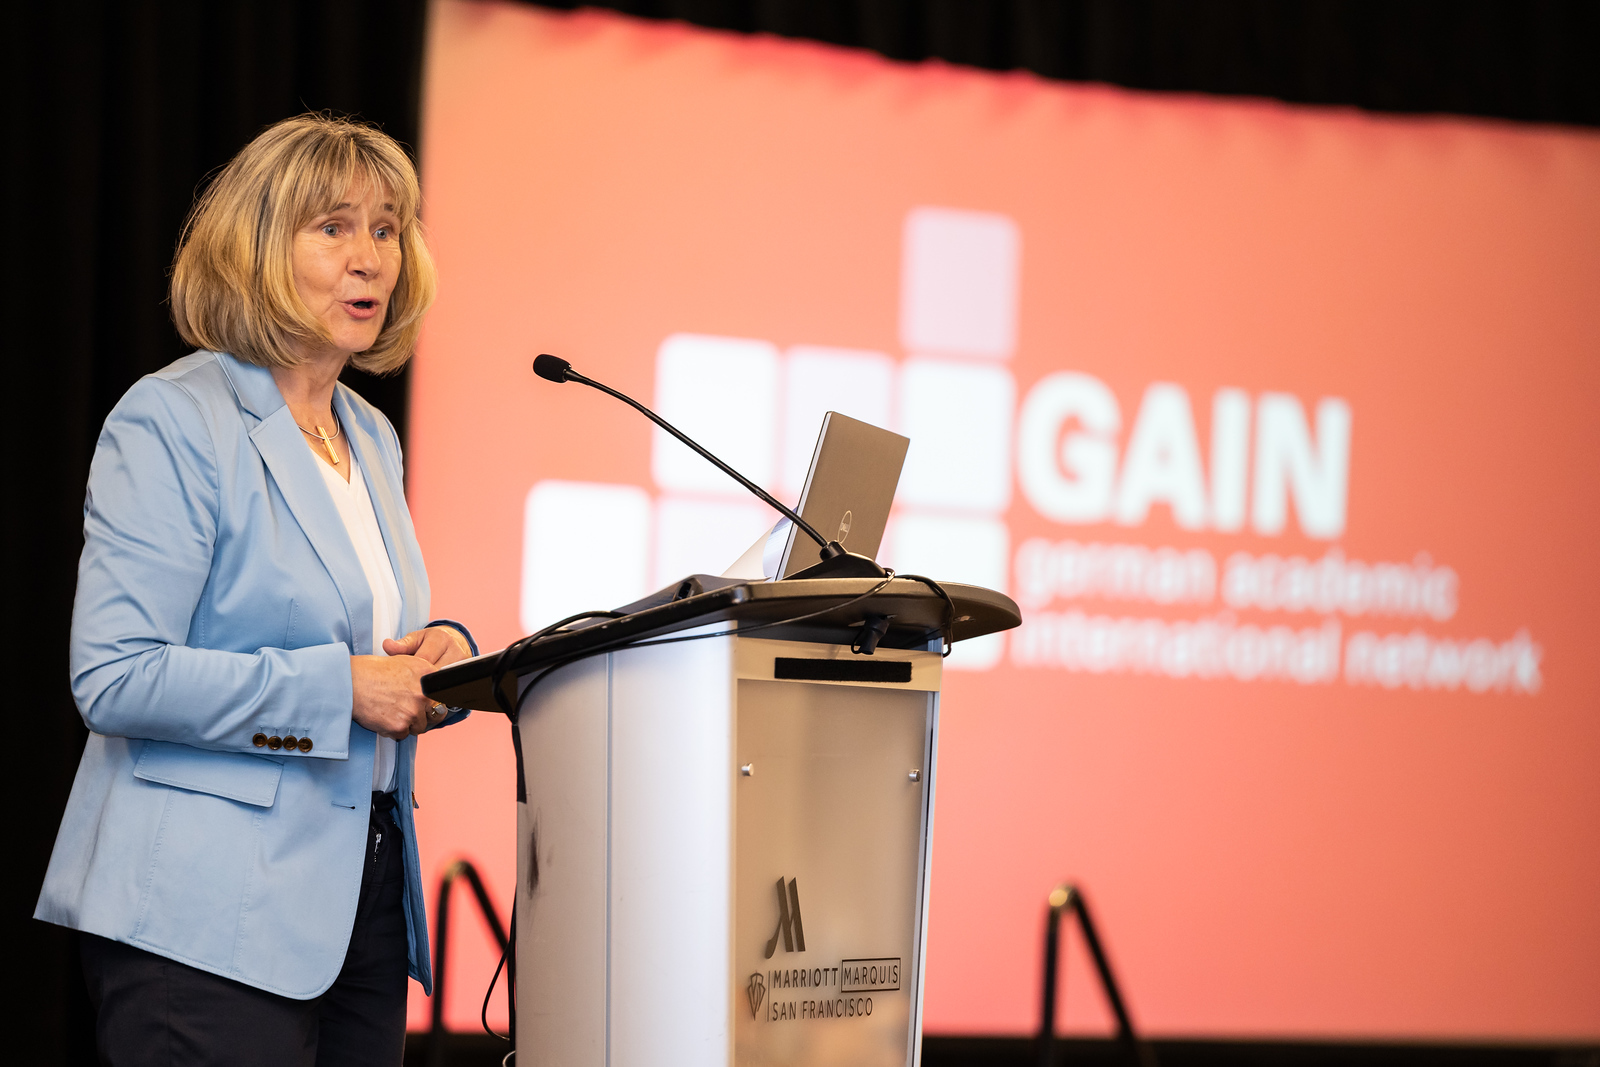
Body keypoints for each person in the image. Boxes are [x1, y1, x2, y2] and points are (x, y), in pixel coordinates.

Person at [34, 113, 475, 1066]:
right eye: (334, 228)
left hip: (359, 911)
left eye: (388, 230)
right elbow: (115, 677)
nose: (371, 260)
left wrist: (435, 646)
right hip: (203, 920)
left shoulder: (369, 434)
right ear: (258, 249)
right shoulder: (174, 419)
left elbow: (358, 623)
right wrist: (342, 690)